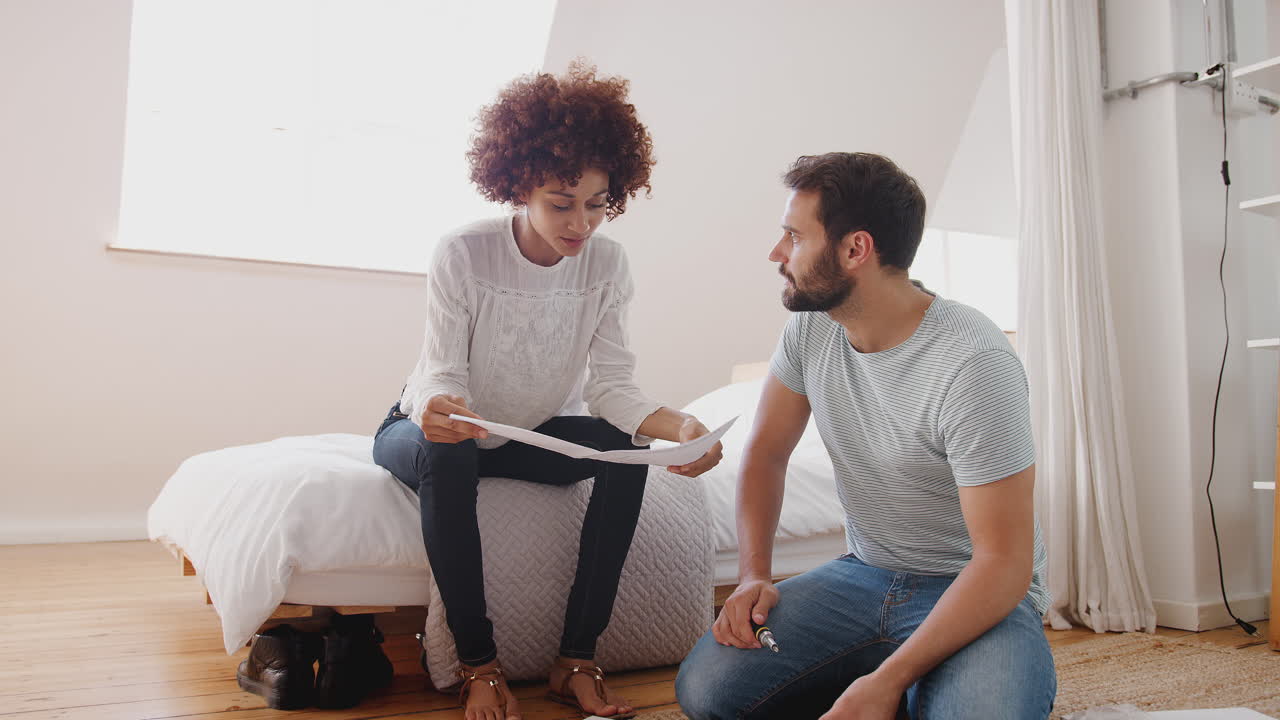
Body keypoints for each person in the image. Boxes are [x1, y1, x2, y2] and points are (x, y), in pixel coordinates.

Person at [372, 62, 723, 720]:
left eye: (598, 204)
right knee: (447, 452)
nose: (581, 224)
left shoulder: (608, 265)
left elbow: (613, 389)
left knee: (625, 446)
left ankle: (575, 661)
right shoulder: (464, 253)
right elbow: (441, 377)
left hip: (526, 431)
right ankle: (480, 664)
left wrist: (679, 427)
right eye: (562, 203)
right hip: (431, 426)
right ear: (518, 186)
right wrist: (437, 410)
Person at [675, 152, 1055, 720]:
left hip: (974, 590)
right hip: (864, 575)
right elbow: (766, 453)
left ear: (856, 249)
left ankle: (900, 679)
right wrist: (755, 575)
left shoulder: (974, 362)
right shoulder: (811, 327)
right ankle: (900, 682)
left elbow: (1003, 562)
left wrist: (887, 680)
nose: (776, 254)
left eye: (793, 237)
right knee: (710, 693)